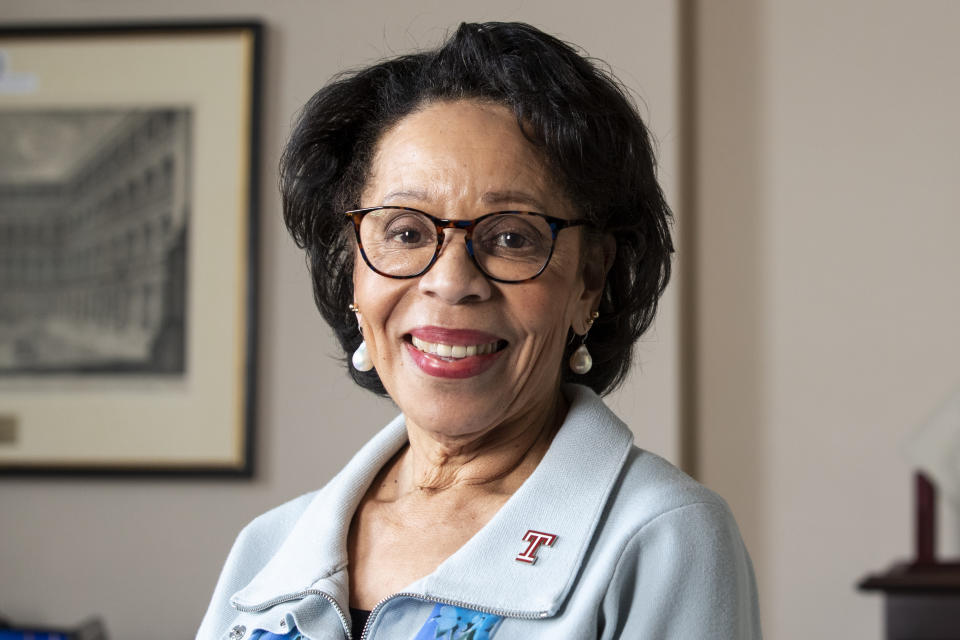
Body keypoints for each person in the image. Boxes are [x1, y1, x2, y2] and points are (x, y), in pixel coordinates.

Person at [198, 21, 761, 640]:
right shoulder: (270, 548)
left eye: (512, 237)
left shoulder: (662, 535)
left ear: (590, 281)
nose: (451, 281)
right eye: (406, 232)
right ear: (351, 271)